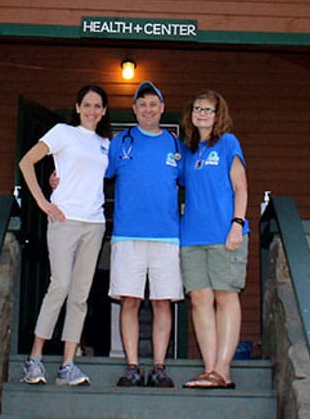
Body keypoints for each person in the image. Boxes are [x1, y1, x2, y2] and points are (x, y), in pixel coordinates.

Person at [17, 83, 112, 387]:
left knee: (81, 295)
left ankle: (68, 365)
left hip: (94, 223)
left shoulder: (105, 144)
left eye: (98, 105)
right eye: (87, 104)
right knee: (60, 286)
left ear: (104, 111)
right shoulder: (62, 132)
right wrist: (44, 202)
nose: (92, 110)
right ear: (77, 107)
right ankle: (35, 359)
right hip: (64, 219)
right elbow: (26, 162)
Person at [106, 80, 183, 388]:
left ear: (162, 108)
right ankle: (133, 367)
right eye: (142, 104)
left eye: (154, 104)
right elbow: (93, 172)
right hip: (127, 235)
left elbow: (197, 183)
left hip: (167, 236)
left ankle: (160, 367)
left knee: (163, 302)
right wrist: (58, 179)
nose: (148, 109)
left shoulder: (176, 145)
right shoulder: (120, 142)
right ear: (134, 109)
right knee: (130, 301)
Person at [177, 89, 248, 390]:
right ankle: (209, 370)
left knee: (225, 296)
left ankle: (223, 370)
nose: (202, 114)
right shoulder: (188, 150)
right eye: (197, 109)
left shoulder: (228, 143)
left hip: (224, 234)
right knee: (199, 299)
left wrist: (237, 224)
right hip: (191, 236)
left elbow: (241, 189)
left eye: (208, 109)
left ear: (219, 115)